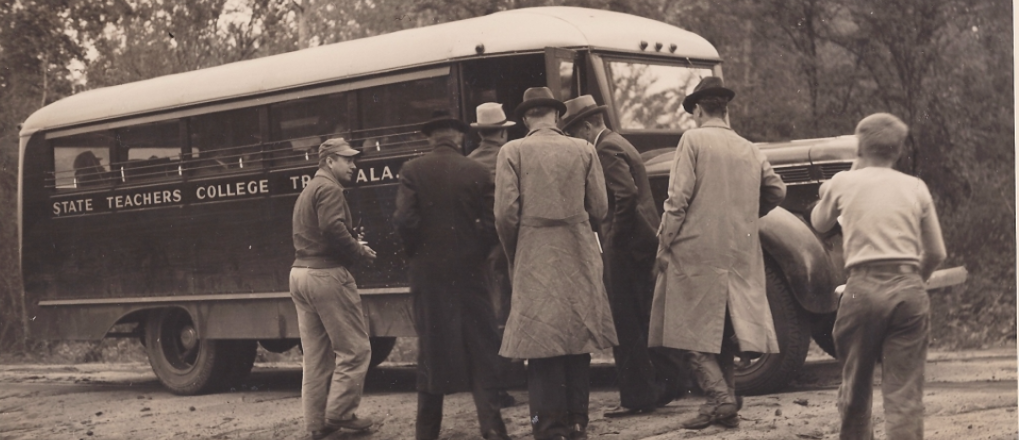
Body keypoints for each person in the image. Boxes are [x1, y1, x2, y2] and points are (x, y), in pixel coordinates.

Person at [649, 77, 786, 430]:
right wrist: (743, 213)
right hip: (740, 250)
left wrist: (664, 245)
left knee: (689, 331)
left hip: (696, 250)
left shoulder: (692, 139)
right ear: (725, 109)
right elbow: (776, 190)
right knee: (721, 331)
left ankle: (721, 399)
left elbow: (676, 200)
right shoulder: (749, 147)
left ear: (697, 108)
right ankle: (722, 409)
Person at [811, 113, 946, 440]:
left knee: (855, 389)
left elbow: (819, 222)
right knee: (903, 395)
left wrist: (842, 180)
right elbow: (937, 252)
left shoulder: (844, 182)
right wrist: (916, 280)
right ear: (898, 151)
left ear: (859, 146)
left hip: (862, 290)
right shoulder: (916, 186)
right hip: (908, 289)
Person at [495, 87, 617, 440]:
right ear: (557, 115)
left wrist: (514, 251)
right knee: (578, 337)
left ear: (524, 118)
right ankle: (578, 423)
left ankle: (548, 429)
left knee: (541, 339)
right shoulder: (584, 149)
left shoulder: (512, 151)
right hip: (578, 248)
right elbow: (600, 208)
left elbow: (505, 214)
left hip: (534, 249)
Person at [560, 95, 686, 417]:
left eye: (575, 132)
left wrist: (613, 241)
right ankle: (668, 385)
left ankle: (637, 398)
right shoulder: (620, 142)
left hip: (626, 247)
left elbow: (625, 195)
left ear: (587, 127)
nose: (575, 140)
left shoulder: (602, 149)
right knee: (646, 315)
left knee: (625, 323)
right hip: (644, 242)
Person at [393, 111, 511, 440]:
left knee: (431, 350)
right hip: (472, 272)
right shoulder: (476, 170)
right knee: (482, 347)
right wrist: (478, 251)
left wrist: (418, 254)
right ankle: (492, 429)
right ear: (459, 138)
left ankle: (426, 434)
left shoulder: (412, 170)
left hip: (428, 276)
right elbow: (494, 223)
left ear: (430, 139)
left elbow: (405, 221)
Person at [290, 137, 377, 440]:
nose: (353, 165)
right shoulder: (330, 188)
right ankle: (341, 413)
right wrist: (358, 251)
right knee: (356, 350)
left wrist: (349, 243)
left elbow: (321, 230)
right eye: (347, 159)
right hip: (326, 275)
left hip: (300, 272)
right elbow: (331, 226)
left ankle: (316, 425)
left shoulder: (310, 189)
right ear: (330, 161)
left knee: (316, 357)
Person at [467, 102, 525, 408]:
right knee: (512, 308)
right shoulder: (509, 156)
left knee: (492, 314)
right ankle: (510, 376)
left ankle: (497, 383)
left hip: (481, 250)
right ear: (502, 132)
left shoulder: (470, 162)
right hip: (507, 244)